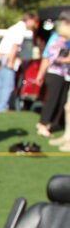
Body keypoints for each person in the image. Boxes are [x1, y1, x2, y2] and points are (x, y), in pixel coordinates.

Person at [0, 12, 39, 113]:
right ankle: (2, 107)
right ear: (29, 20)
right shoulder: (20, 29)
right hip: (8, 58)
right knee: (8, 85)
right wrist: (11, 61)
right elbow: (14, 46)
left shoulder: (14, 27)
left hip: (1, 56)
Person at [37, 13, 70, 141]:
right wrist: (40, 75)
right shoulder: (56, 40)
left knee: (62, 100)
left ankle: (53, 123)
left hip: (64, 75)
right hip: (55, 73)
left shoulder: (66, 41)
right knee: (52, 100)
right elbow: (49, 57)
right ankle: (43, 124)